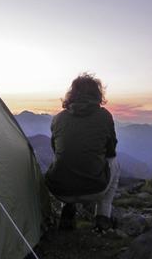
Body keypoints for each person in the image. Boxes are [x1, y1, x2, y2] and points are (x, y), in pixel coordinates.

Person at [45, 73, 120, 231]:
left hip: (60, 190)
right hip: (95, 190)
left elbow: (56, 149)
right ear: (97, 94)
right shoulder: (104, 116)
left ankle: (68, 210)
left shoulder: (58, 118)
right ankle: (102, 218)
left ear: (72, 94)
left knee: (64, 158)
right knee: (115, 162)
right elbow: (111, 151)